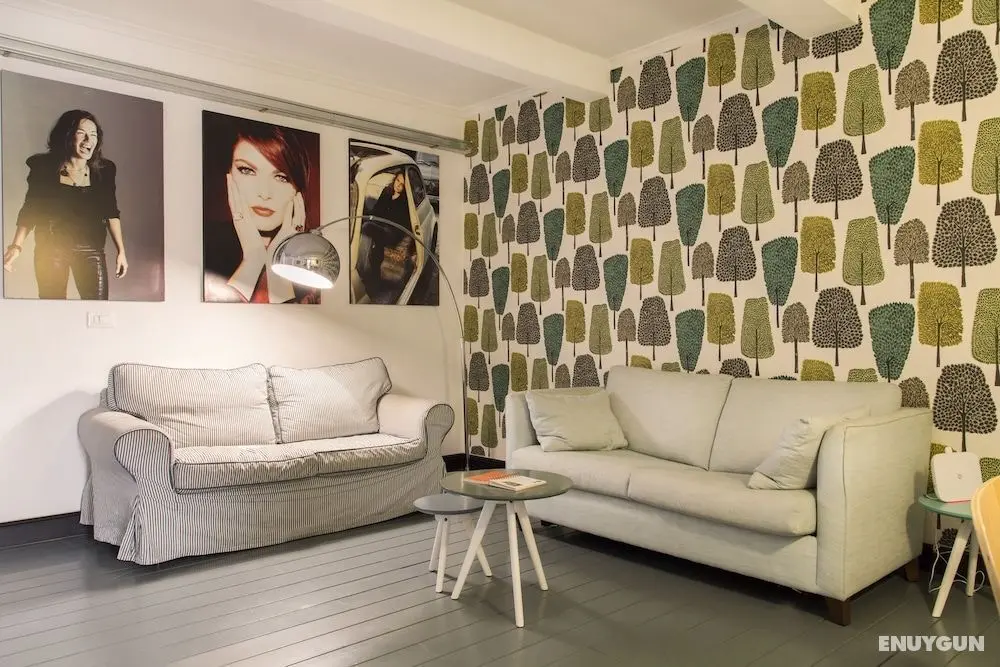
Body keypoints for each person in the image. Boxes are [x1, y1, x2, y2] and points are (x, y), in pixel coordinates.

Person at [3, 110, 127, 299]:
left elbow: (111, 212)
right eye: (81, 133)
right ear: (67, 136)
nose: (89, 140)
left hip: (91, 250)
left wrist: (121, 252)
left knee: (97, 309)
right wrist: (16, 246)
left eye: (93, 134)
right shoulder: (43, 167)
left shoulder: (105, 170)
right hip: (51, 249)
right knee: (53, 308)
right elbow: (31, 210)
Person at [203, 118, 316, 304]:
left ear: (298, 190)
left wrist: (278, 258)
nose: (264, 193)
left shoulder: (315, 261)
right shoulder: (204, 246)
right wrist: (253, 258)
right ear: (229, 175)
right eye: (247, 170)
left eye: (281, 177)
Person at [360, 170, 415, 302]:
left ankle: (370, 278)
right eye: (398, 181)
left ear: (406, 187)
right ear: (394, 179)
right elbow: (377, 211)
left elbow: (403, 224)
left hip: (393, 232)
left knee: (367, 228)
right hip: (381, 226)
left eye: (402, 184)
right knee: (365, 224)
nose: (398, 185)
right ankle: (373, 280)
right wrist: (367, 215)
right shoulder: (386, 191)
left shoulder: (405, 201)